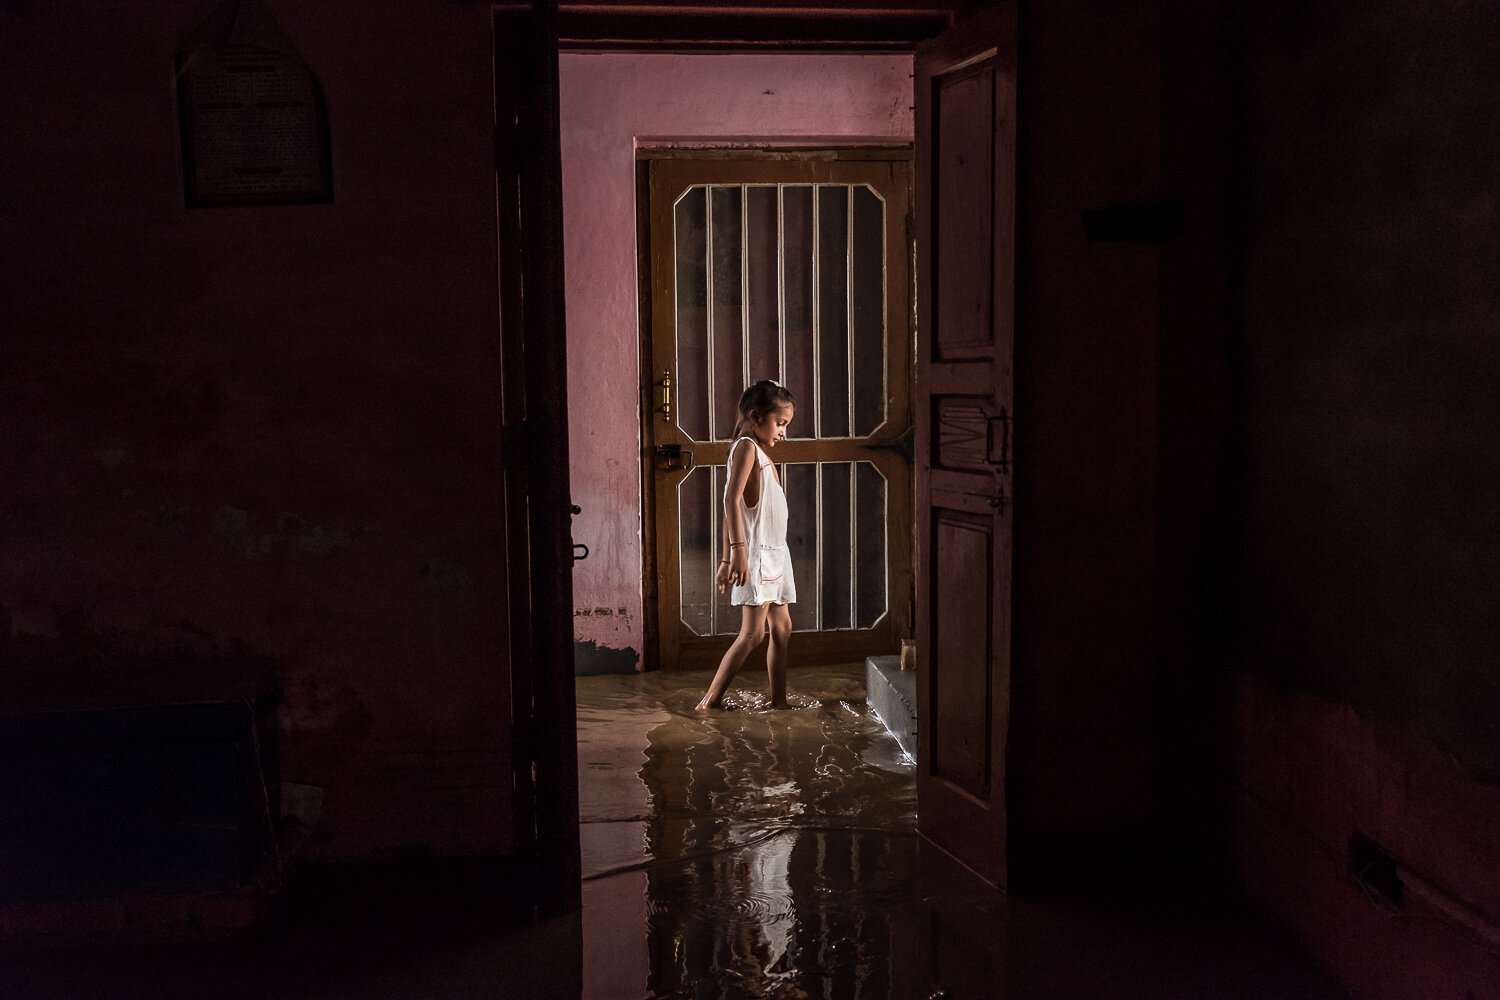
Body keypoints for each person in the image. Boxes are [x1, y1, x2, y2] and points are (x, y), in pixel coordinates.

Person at [697, 380, 797, 710]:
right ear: (756, 416)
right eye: (780, 423)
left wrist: (727, 558)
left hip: (775, 554)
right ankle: (710, 702)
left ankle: (779, 703)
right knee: (753, 634)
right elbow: (730, 500)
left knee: (782, 628)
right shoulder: (746, 447)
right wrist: (737, 553)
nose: (783, 432)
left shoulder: (761, 454)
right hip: (757, 556)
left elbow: (736, 509)